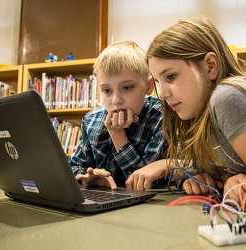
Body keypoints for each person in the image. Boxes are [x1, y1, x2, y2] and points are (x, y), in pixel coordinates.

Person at [126, 16, 246, 203]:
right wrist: (218, 179)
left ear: (210, 66)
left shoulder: (226, 98)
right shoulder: (195, 112)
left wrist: (234, 183)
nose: (163, 94)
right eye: (158, 82)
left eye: (171, 76)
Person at [70, 41, 167, 189]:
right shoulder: (91, 121)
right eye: (107, 90)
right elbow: (74, 166)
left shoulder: (161, 117)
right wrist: (87, 177)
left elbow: (145, 183)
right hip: (102, 204)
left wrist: (117, 135)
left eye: (127, 88)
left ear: (148, 87)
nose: (116, 100)